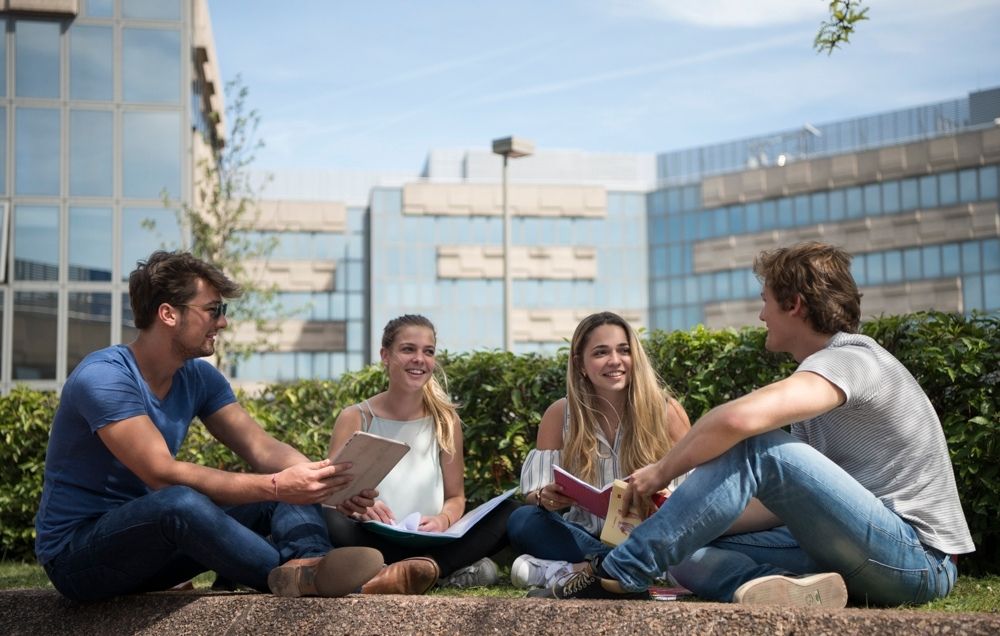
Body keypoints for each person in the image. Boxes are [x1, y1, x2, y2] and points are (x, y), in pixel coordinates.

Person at [537, 242, 975, 607]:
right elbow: (776, 503)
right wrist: (680, 521)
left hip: (917, 561)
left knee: (754, 445)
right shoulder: (818, 382)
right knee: (685, 551)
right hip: (851, 554)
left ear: (794, 305)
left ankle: (616, 571)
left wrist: (661, 472)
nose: (762, 315)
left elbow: (737, 421)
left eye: (765, 302)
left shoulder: (854, 359)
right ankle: (775, 588)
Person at [34, 250, 431, 601]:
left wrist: (327, 481)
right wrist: (279, 484)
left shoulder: (199, 378)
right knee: (180, 500)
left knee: (283, 479)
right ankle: (322, 579)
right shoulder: (103, 377)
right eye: (213, 310)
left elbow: (261, 448)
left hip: (153, 547)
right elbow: (161, 473)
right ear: (168, 313)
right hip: (79, 557)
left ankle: (313, 563)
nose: (222, 323)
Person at [323, 314, 519, 592]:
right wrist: (358, 506)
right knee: (325, 518)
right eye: (408, 349)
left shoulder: (445, 420)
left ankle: (422, 568)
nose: (420, 359)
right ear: (385, 356)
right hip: (369, 539)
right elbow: (331, 500)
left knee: (511, 512)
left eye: (428, 351)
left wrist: (442, 520)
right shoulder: (356, 417)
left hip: (428, 539)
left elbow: (455, 497)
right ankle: (436, 569)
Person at [506, 311, 691, 590]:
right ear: (580, 364)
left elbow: (695, 493)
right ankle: (618, 568)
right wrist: (545, 497)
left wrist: (661, 500)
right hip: (582, 537)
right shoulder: (560, 414)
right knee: (522, 520)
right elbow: (534, 495)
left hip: (649, 537)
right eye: (601, 352)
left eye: (624, 350)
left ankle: (579, 572)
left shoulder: (666, 411)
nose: (615, 361)